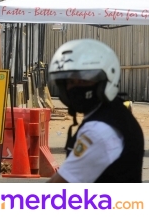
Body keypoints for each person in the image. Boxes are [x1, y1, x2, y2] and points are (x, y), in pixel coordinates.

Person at [47, 39, 144, 183]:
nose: (75, 89)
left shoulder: (98, 131)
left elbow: (58, 187)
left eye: (84, 80)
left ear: (104, 81)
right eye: (70, 82)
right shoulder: (114, 112)